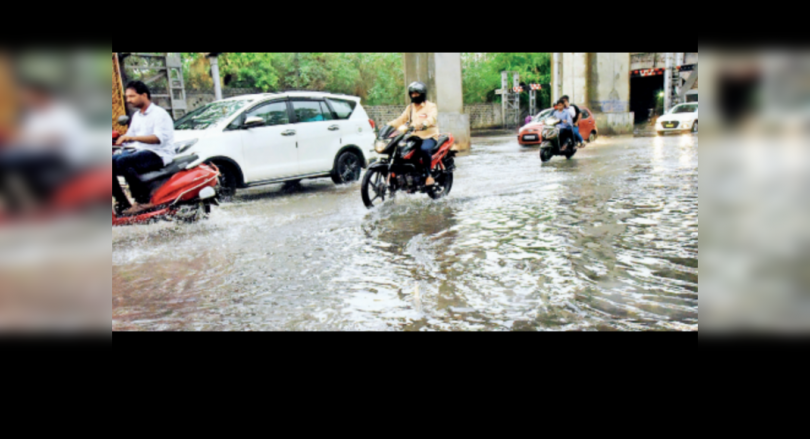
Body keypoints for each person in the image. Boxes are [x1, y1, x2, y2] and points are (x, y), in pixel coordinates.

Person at [0, 79, 87, 214]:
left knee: (7, 161)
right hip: (37, 155)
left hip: (62, 157)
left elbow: (56, 139)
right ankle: (16, 205)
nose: (25, 100)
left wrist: (29, 138)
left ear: (40, 95)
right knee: (6, 161)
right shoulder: (33, 116)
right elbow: (26, 139)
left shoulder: (61, 112)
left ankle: (27, 205)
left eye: (28, 96)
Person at [113, 81, 175, 215]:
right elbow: (129, 137)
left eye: (132, 96)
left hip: (158, 153)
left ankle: (143, 201)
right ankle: (122, 202)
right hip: (139, 150)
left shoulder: (159, 114)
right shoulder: (137, 115)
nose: (128, 100)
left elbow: (158, 138)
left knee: (123, 162)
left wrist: (131, 138)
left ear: (144, 95)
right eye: (127, 97)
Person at [386, 81, 440, 186]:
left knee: (424, 149)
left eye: (416, 93)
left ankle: (428, 175)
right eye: (412, 93)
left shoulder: (431, 106)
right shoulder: (410, 108)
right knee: (400, 149)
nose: (414, 95)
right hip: (414, 136)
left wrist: (424, 124)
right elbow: (401, 119)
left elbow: (432, 118)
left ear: (422, 93)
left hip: (428, 136)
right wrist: (388, 126)